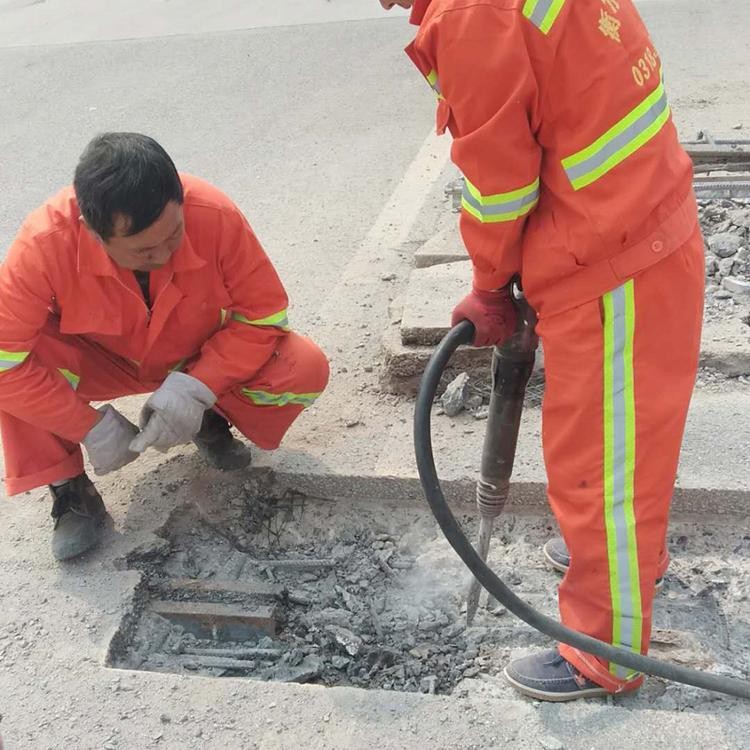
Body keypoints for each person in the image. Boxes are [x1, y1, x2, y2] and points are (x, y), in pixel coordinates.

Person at [380, 0, 703, 700]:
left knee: (597, 468)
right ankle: (626, 566)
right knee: (628, 449)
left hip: (612, 256)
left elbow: (500, 187)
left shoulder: (470, 16)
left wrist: (490, 285)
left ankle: (604, 654)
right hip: (645, 224)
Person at [0, 132, 329, 562]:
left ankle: (209, 417)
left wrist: (197, 388)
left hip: (193, 353)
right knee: (16, 373)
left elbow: (264, 317)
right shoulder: (44, 244)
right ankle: (69, 488)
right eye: (143, 250)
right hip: (103, 360)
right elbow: (6, 364)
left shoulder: (212, 213)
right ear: (93, 232)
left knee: (303, 367)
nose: (163, 254)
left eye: (173, 236)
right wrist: (87, 426)